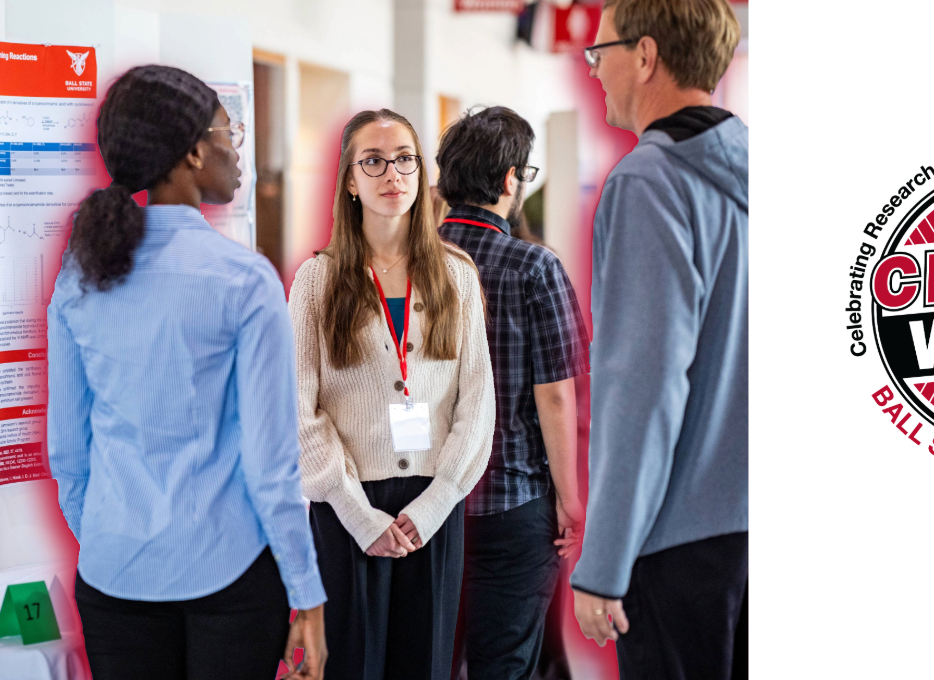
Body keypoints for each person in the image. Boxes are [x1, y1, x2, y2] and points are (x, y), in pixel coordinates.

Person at [47, 65, 327, 680]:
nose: (237, 150)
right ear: (195, 151)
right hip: (228, 577)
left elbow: (68, 455)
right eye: (231, 133)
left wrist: (113, 531)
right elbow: (270, 463)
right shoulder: (244, 280)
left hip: (112, 571)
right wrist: (306, 589)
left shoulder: (79, 277)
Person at [569, 0, 749, 680]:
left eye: (601, 51)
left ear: (645, 56)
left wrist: (605, 559)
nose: (595, 70)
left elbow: (641, 384)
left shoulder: (652, 181)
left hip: (679, 538)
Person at [289, 108, 494, 680]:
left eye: (405, 159)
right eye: (372, 161)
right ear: (350, 181)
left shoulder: (456, 273)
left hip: (434, 504)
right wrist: (359, 515)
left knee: (426, 663)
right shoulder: (317, 280)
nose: (391, 174)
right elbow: (299, 409)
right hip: (348, 505)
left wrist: (435, 503)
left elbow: (478, 400)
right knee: (353, 664)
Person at [436, 107, 589, 680]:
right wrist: (570, 500)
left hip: (420, 504)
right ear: (508, 181)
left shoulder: (409, 261)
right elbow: (556, 397)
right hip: (512, 502)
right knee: (506, 665)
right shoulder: (534, 267)